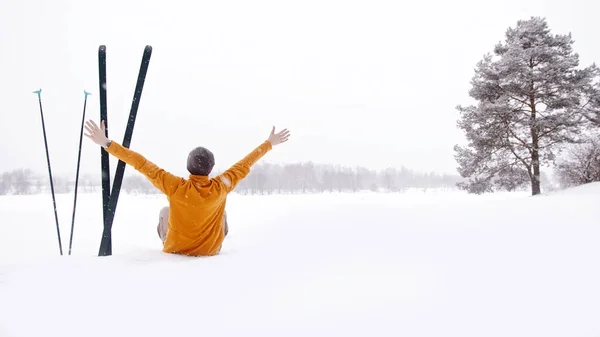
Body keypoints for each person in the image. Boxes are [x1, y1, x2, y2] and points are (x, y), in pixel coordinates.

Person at [84, 120, 290, 256]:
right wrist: (268, 143)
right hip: (211, 250)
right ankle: (205, 241)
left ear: (187, 166)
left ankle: (177, 241)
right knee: (221, 212)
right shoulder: (221, 187)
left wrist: (107, 143)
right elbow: (246, 163)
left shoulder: (174, 186)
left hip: (176, 249)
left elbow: (141, 163)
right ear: (211, 168)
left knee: (165, 211)